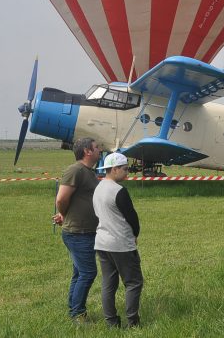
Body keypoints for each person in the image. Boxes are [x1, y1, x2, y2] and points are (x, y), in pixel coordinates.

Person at [53, 137, 101, 324]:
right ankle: (78, 314)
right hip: (78, 233)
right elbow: (61, 199)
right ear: (87, 151)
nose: (99, 149)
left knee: (80, 273)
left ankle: (74, 309)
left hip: (85, 231)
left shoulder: (88, 172)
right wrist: (64, 215)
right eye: (96, 147)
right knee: (88, 273)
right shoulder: (75, 170)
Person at [93, 153, 143, 328]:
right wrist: (135, 234)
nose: (127, 172)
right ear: (114, 169)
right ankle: (133, 322)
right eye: (125, 169)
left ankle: (111, 322)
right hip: (121, 244)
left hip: (102, 242)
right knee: (134, 282)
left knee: (108, 284)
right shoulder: (119, 191)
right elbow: (132, 217)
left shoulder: (99, 187)